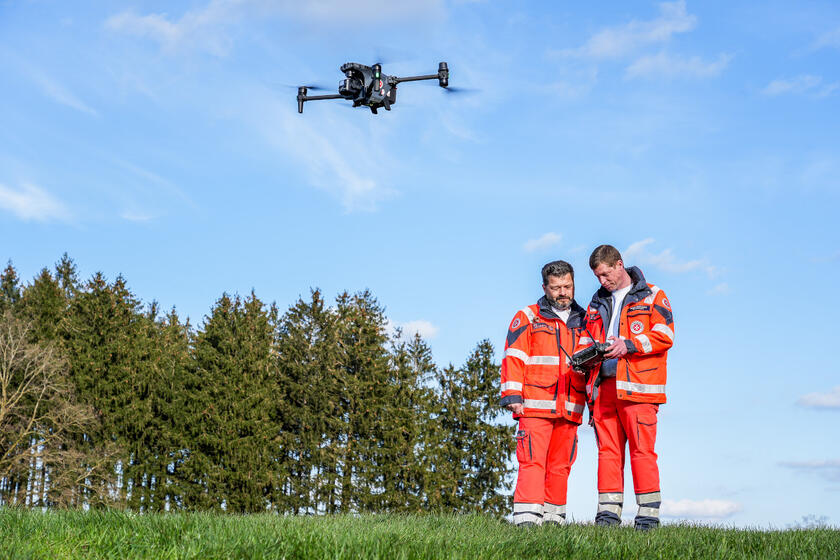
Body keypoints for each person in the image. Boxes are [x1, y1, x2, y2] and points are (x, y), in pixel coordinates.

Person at [575, 244, 675, 530]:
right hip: (604, 387)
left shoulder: (653, 295)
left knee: (642, 451)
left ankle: (647, 518)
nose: (602, 281)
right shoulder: (596, 303)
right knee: (608, 452)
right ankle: (607, 517)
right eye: (597, 276)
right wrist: (583, 358)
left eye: (605, 274)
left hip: (639, 387)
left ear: (619, 264)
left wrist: (629, 345)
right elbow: (585, 339)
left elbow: (665, 335)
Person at [500, 260, 589, 526]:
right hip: (535, 405)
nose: (563, 293)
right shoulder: (528, 316)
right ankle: (526, 522)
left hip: (571, 405)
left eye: (567, 286)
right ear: (544, 288)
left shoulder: (586, 320)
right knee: (532, 461)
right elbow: (514, 356)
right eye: (556, 288)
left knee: (561, 465)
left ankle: (553, 521)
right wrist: (512, 395)